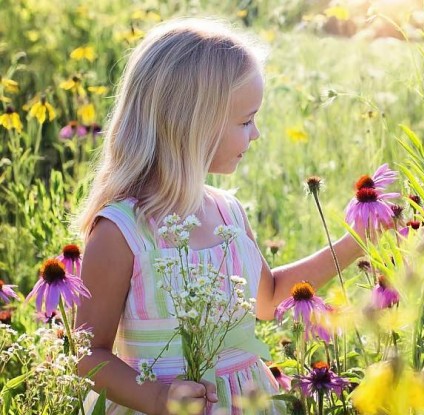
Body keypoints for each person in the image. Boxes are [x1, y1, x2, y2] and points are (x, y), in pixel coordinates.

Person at [75, 17, 366, 415]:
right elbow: (87, 355)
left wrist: (358, 241)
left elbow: (268, 300)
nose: (257, 134)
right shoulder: (122, 231)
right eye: (246, 121)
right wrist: (159, 398)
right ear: (193, 125)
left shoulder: (227, 211)